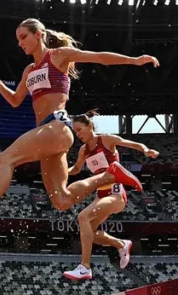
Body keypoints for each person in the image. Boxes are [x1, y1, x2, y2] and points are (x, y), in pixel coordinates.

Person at [0, 18, 159, 237]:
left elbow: (99, 57)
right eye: (18, 39)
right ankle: (109, 175)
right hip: (49, 136)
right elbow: (16, 100)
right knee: (62, 200)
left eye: (23, 37)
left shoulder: (58, 55)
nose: (20, 43)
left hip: (57, 127)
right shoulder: (29, 70)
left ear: (39, 34)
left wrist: (135, 60)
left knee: (5, 158)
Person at [62, 111, 158, 281]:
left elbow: (131, 144)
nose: (78, 135)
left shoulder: (106, 139)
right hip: (100, 195)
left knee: (82, 217)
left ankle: (85, 267)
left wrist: (145, 149)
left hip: (115, 193)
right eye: (75, 132)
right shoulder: (84, 150)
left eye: (79, 130)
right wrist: (61, 173)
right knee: (89, 233)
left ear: (90, 126)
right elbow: (76, 169)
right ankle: (121, 244)